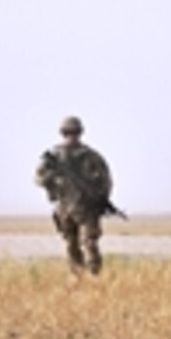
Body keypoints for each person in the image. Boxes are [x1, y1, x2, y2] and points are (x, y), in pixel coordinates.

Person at [35, 116, 115, 275]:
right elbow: (40, 179)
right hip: (69, 207)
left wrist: (100, 200)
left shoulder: (89, 155)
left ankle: (90, 277)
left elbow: (105, 181)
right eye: (70, 132)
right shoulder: (56, 156)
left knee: (85, 243)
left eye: (74, 132)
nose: (72, 136)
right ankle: (83, 277)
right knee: (76, 244)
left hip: (81, 207)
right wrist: (55, 182)